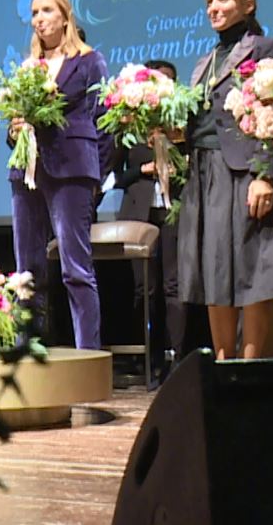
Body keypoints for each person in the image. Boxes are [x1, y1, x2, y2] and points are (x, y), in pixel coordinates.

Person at [179, 0, 273, 360]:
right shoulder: (205, 61)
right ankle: (222, 362)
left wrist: (265, 174)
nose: (214, 7)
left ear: (249, 5)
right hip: (205, 173)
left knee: (250, 271)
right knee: (214, 271)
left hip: (244, 172)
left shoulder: (265, 48)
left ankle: (248, 366)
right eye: (210, 0)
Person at [9, 0, 112, 350]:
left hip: (72, 171)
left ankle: (88, 357)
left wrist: (96, 176)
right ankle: (29, 350)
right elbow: (14, 127)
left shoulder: (89, 61)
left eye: (47, 10)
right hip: (27, 173)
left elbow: (105, 122)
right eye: (34, 12)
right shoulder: (27, 69)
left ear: (66, 17)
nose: (39, 18)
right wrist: (16, 129)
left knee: (75, 270)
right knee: (27, 270)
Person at [111, 59, 189, 365]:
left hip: (174, 209)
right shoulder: (129, 127)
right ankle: (148, 358)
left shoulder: (181, 125)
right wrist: (143, 169)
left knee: (175, 284)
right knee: (146, 288)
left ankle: (178, 355)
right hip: (138, 213)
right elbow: (112, 178)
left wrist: (176, 166)